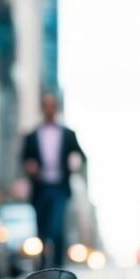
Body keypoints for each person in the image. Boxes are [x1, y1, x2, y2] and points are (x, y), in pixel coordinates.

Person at [21, 93, 86, 269]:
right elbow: (24, 159)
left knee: (57, 228)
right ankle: (42, 267)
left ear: (56, 108)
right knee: (41, 230)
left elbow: (81, 156)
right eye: (46, 105)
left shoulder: (68, 134)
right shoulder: (32, 135)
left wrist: (75, 161)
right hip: (40, 188)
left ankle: (57, 267)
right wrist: (30, 165)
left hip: (59, 188)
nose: (49, 109)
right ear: (43, 108)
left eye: (52, 105)